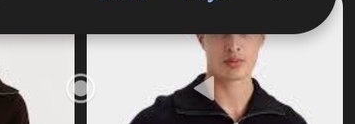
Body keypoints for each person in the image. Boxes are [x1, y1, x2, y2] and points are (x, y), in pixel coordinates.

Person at [128, 34, 308, 124]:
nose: (233, 45)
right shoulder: (157, 120)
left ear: (262, 37)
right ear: (201, 37)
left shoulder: (290, 122)